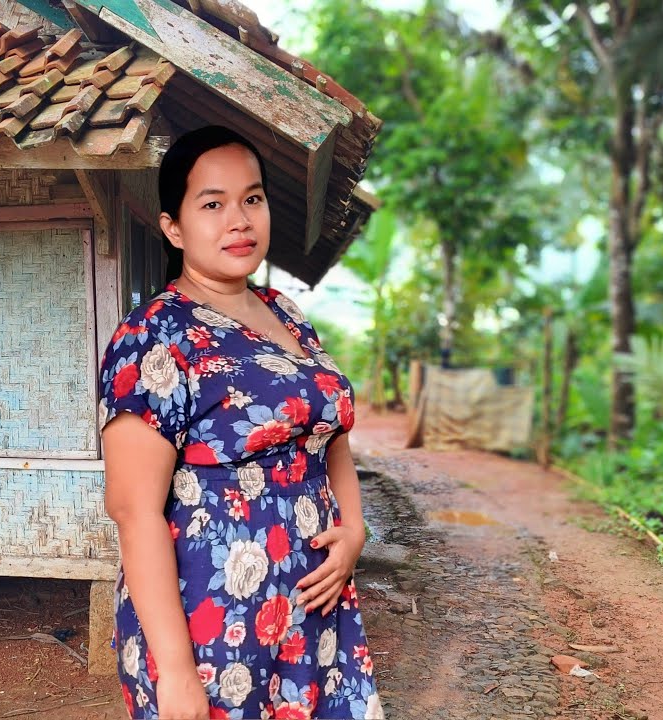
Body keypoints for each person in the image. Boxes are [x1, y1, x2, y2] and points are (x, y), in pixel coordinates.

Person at [97, 125, 384, 720]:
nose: (240, 220)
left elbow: (327, 436)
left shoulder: (287, 314)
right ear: (173, 226)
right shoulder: (154, 336)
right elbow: (133, 508)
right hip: (214, 627)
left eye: (252, 199)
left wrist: (353, 530)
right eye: (212, 204)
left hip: (314, 613)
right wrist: (176, 673)